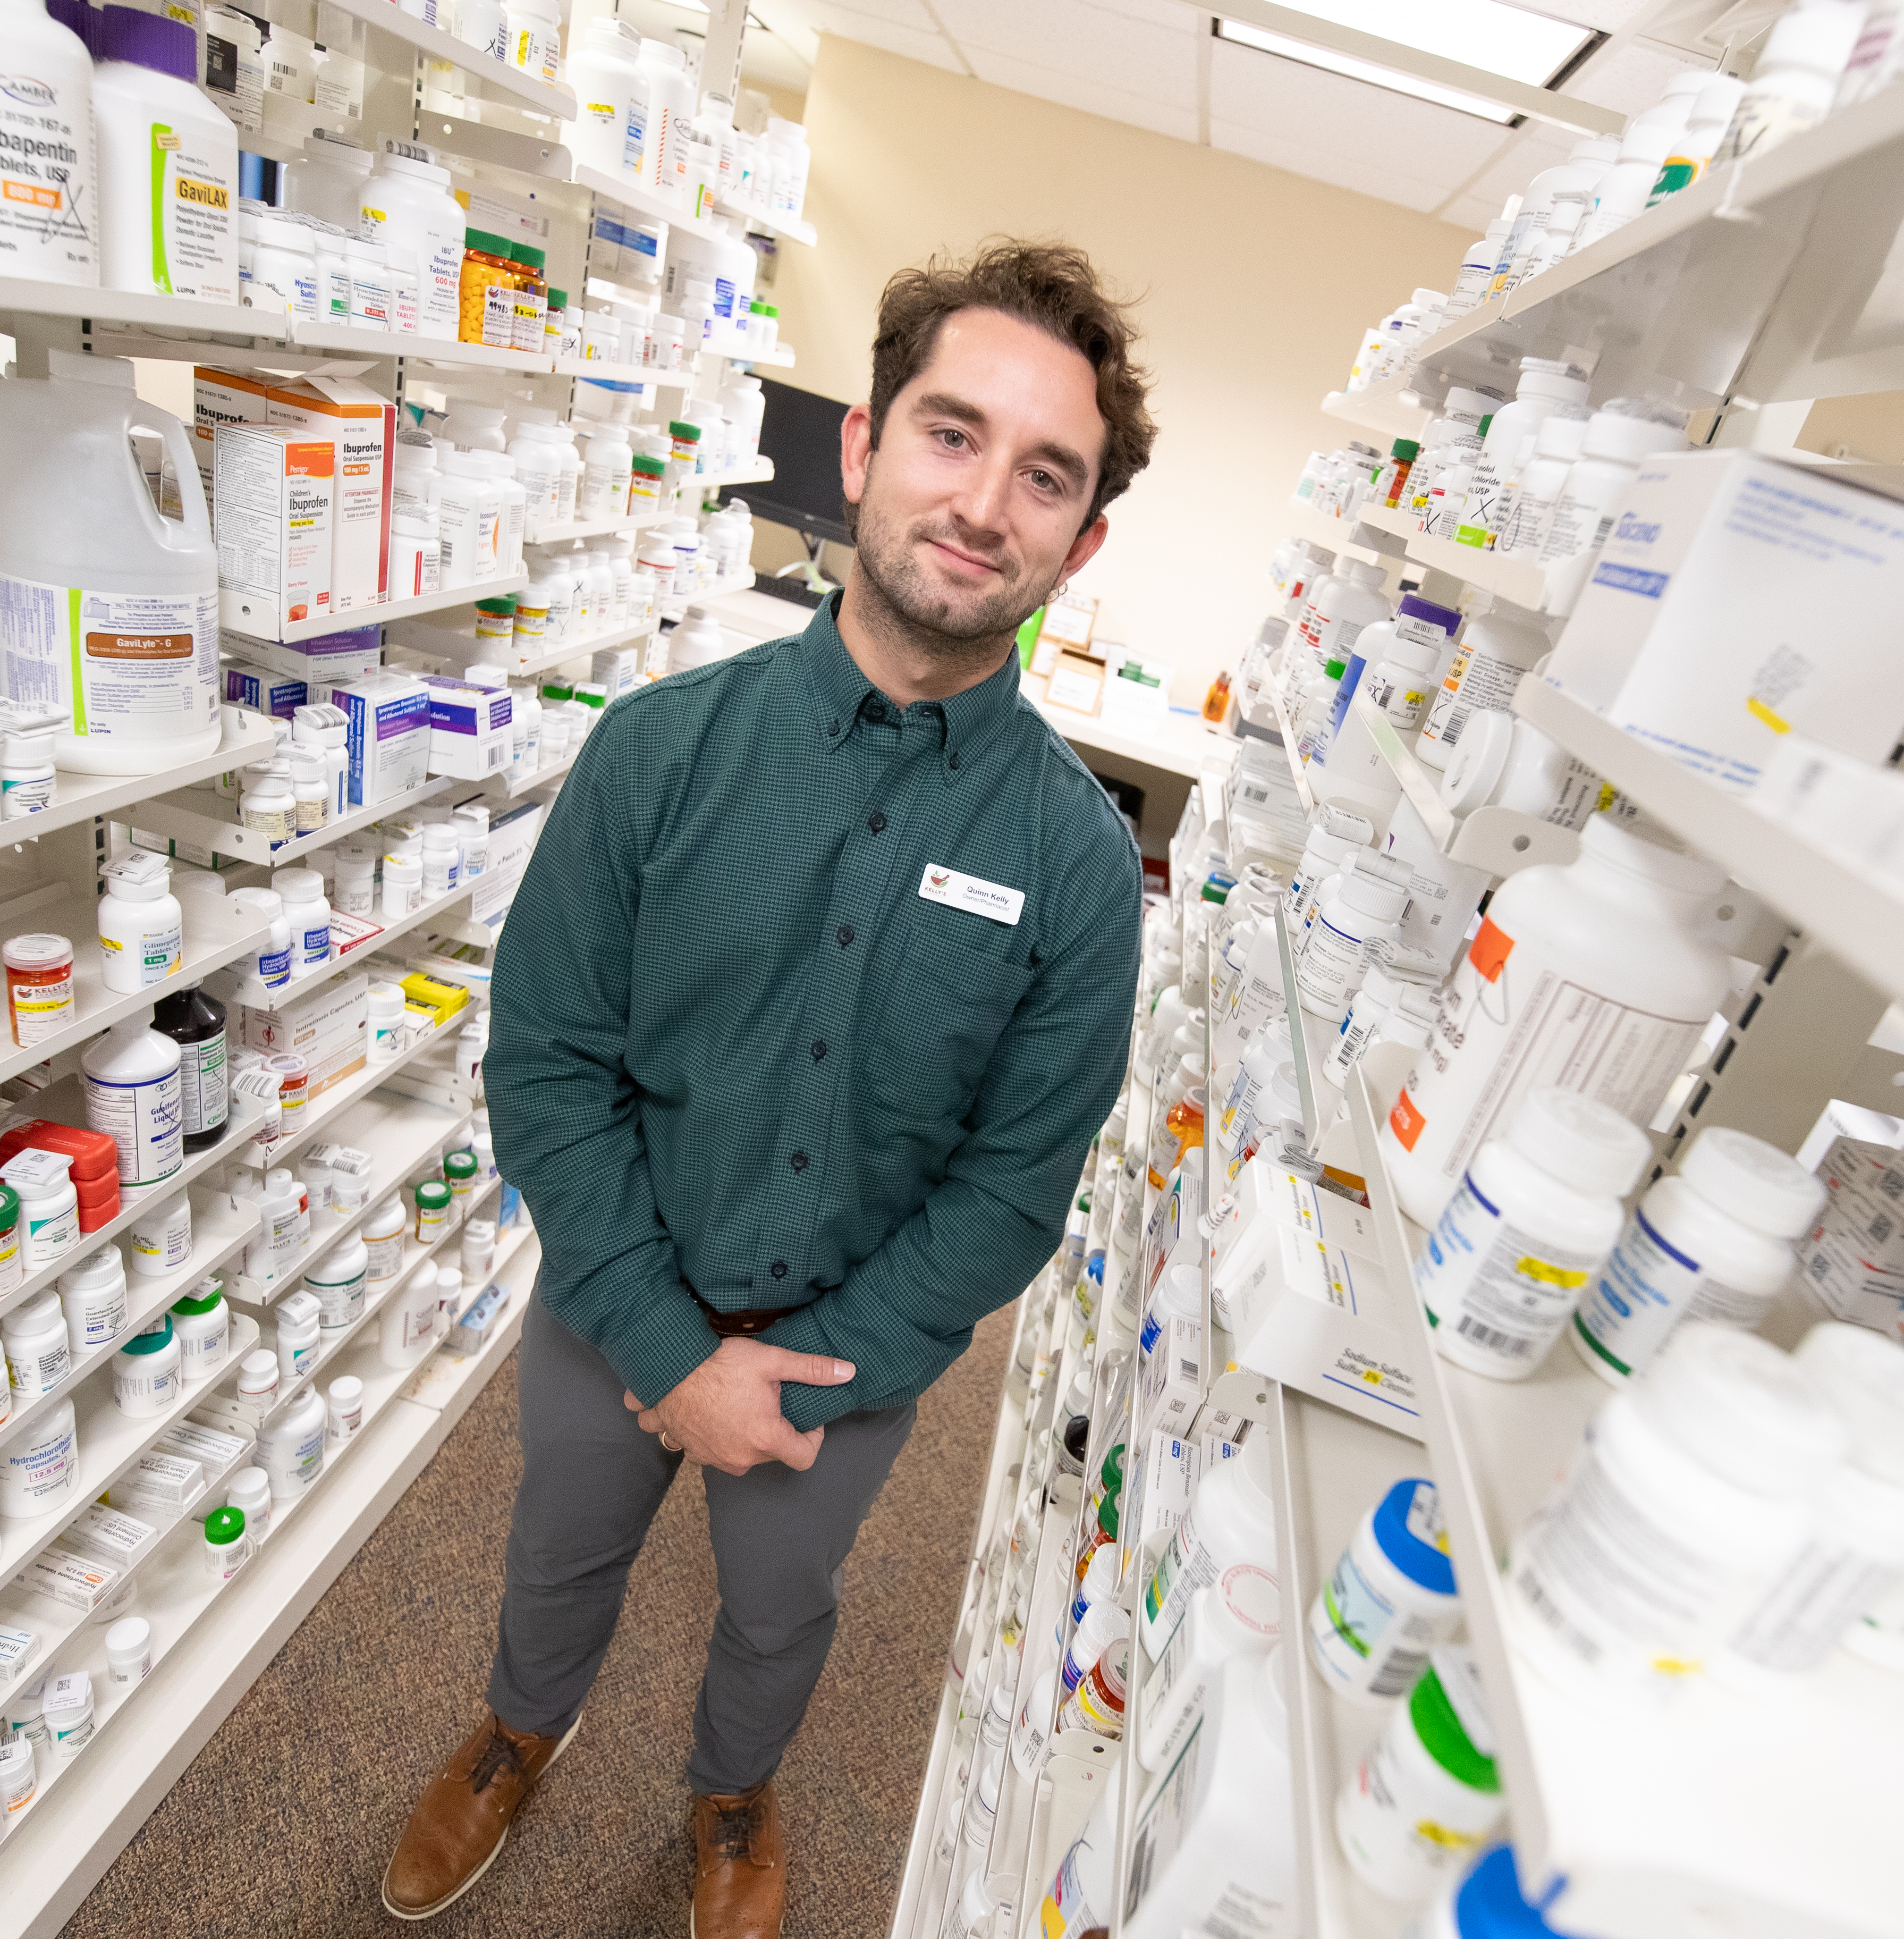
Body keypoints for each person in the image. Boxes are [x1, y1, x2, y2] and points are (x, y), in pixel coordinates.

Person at [383, 239, 1157, 1935]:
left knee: (779, 1612)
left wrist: (794, 1384)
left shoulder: (1082, 868)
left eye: (1047, 476)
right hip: (614, 1295)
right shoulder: (661, 750)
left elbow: (1012, 1190)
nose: (984, 503)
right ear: (861, 447)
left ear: (1081, 543)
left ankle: (732, 1798)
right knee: (559, 1548)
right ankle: (519, 1731)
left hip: (845, 1363)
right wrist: (668, 1353)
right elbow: (551, 1065)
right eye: (952, 435)